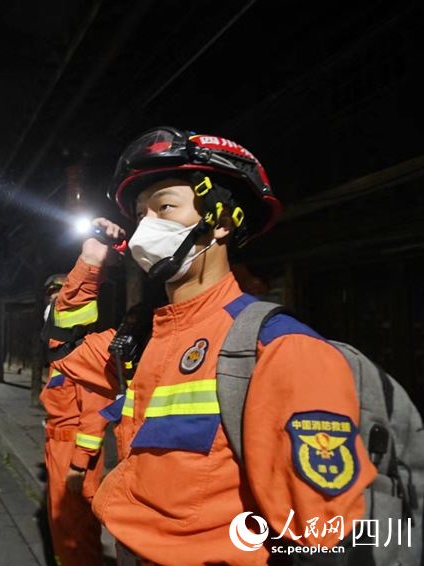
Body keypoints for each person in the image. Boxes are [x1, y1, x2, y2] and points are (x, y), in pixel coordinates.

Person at [54, 126, 377, 565]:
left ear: (221, 222)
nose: (147, 227)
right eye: (141, 215)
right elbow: (64, 355)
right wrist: (90, 264)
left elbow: (327, 542)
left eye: (165, 207)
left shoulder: (279, 349)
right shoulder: (142, 339)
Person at [39, 273, 112, 566]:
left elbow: (94, 416)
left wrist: (78, 465)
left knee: (77, 530)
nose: (54, 301)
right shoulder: (62, 357)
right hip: (57, 448)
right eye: (51, 295)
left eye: (60, 295)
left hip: (73, 455)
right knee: (61, 526)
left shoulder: (85, 355)